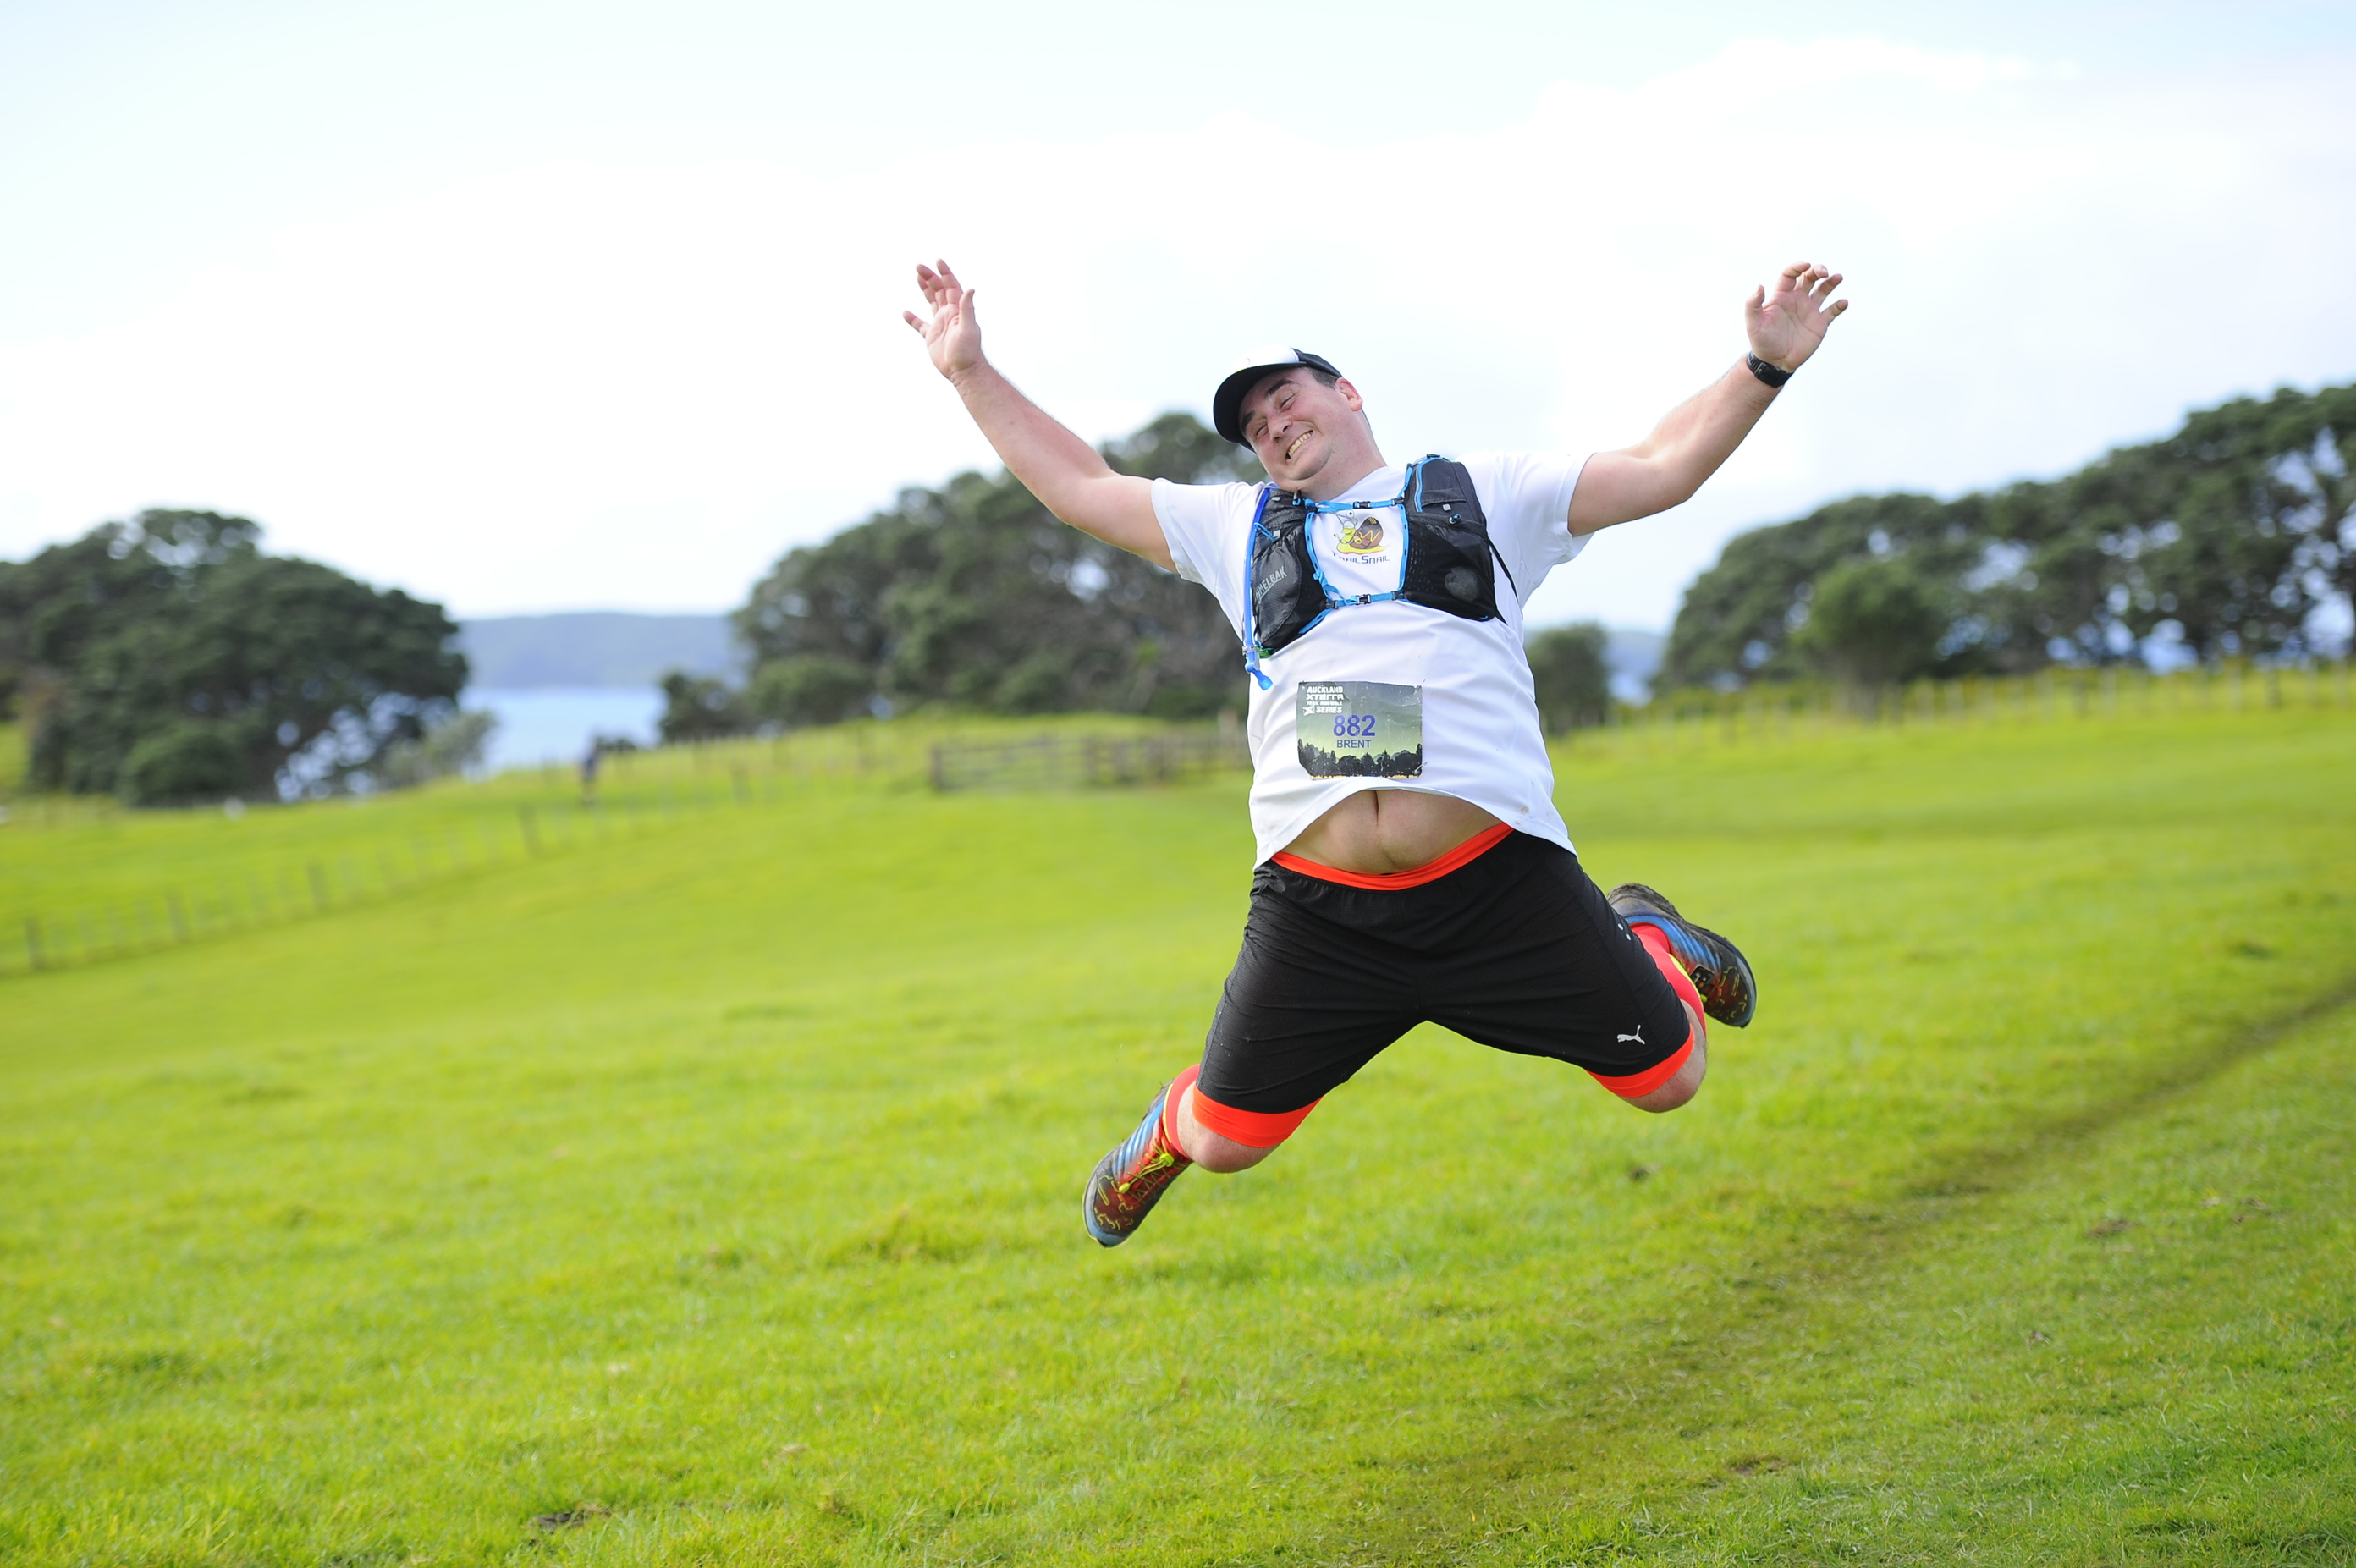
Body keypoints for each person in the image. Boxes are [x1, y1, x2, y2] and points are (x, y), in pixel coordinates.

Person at [902, 258, 1848, 1246]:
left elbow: (1660, 468)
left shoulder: (1486, 493)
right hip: (1325, 912)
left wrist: (1763, 367)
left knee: (1670, 1078)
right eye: (1252, 423)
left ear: (1346, 393)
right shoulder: (1236, 526)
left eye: (1284, 396)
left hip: (1497, 883)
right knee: (1224, 1142)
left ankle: (1649, 934)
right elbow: (1081, 488)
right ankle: (1166, 1132)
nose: (1271, 423)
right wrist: (968, 369)